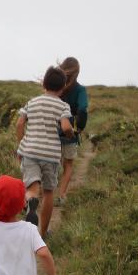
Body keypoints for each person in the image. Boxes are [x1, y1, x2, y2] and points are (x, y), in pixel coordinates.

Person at [15, 66, 73, 237]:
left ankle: (31, 201)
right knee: (48, 192)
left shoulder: (32, 102)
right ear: (62, 88)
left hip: (30, 151)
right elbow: (66, 126)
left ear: (44, 84)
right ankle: (43, 232)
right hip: (51, 154)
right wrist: (70, 134)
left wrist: (22, 144)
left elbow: (19, 124)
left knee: (32, 188)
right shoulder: (63, 106)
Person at [57, 56, 89, 204]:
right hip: (70, 132)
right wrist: (80, 128)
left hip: (52, 132)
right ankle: (61, 195)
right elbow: (83, 109)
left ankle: (44, 192)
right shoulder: (80, 90)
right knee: (68, 164)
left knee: (50, 164)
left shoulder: (56, 87)